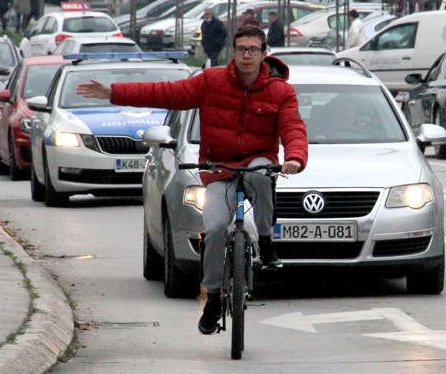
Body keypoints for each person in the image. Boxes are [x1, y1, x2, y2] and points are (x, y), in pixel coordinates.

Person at [76, 26, 308, 335]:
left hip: (256, 163)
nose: (247, 55)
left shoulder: (281, 91)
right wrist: (112, 92)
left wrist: (294, 158)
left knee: (265, 178)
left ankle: (265, 240)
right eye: (242, 49)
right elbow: (166, 93)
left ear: (264, 54)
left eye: (254, 49)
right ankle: (213, 296)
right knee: (212, 229)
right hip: (219, 169)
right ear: (233, 53)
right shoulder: (211, 82)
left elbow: (293, 126)